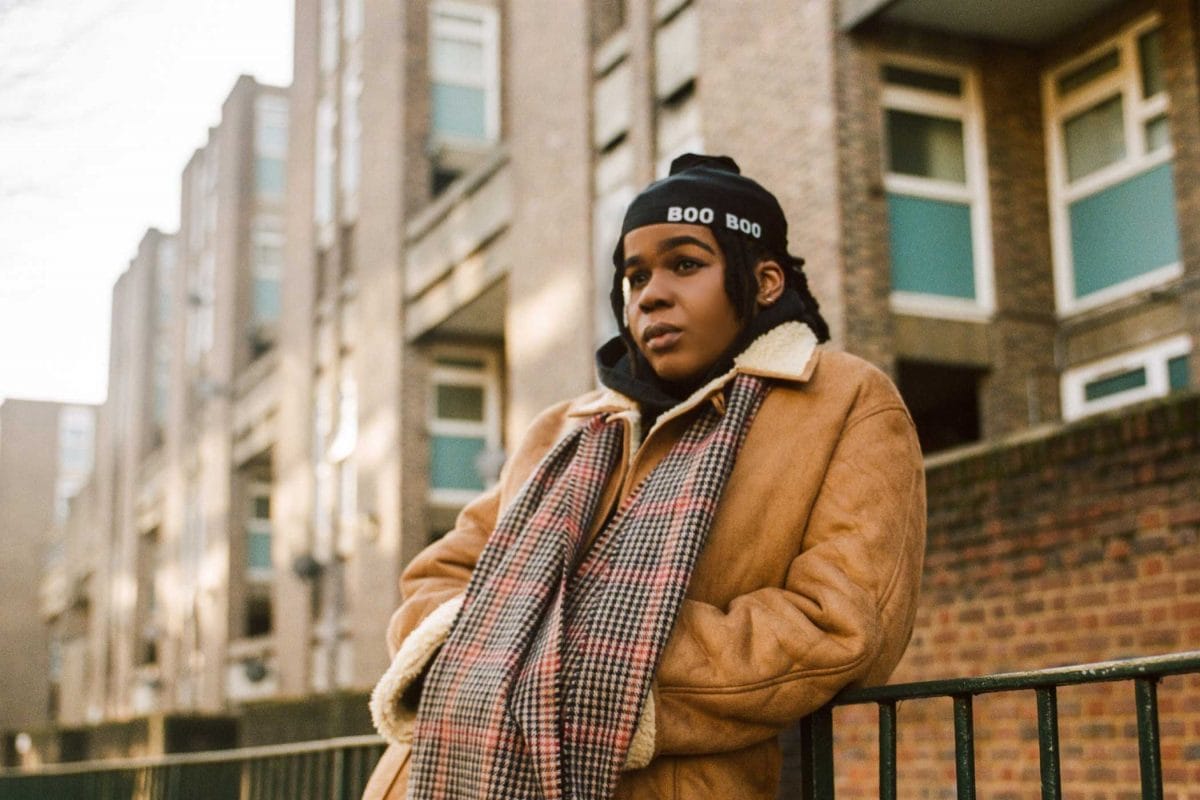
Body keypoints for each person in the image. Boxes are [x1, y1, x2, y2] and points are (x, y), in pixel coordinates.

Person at [362, 154, 926, 800]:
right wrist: (500, 653)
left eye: (685, 264)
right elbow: (438, 577)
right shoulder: (566, 428)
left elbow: (839, 623)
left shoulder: (847, 404)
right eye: (635, 275)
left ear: (765, 281)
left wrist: (599, 670)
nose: (650, 293)